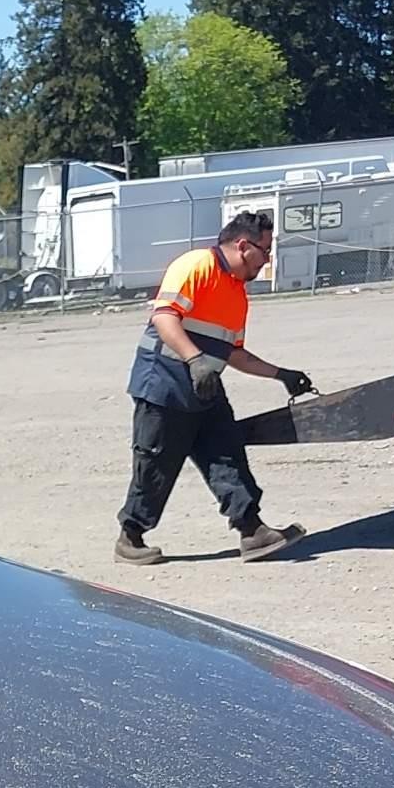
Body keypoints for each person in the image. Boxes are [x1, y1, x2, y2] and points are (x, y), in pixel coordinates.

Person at [116, 211, 316, 565]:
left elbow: (232, 352)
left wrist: (280, 374)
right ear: (243, 246)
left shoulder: (237, 293)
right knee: (155, 464)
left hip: (205, 387)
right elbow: (164, 318)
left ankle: (252, 531)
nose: (268, 259)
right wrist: (195, 361)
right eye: (265, 250)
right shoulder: (195, 266)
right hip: (162, 382)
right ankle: (130, 537)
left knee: (226, 455)